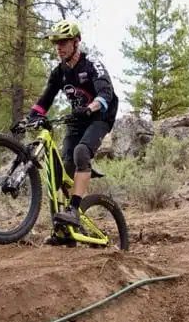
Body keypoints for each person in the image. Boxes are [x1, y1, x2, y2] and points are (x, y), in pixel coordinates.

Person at [24, 19, 118, 229]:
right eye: (55, 43)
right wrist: (29, 118)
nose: (58, 47)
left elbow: (106, 93)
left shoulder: (92, 64)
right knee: (63, 169)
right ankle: (64, 226)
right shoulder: (59, 72)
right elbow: (45, 100)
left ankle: (74, 210)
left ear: (76, 42)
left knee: (81, 153)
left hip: (100, 117)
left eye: (63, 42)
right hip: (77, 120)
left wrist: (91, 108)